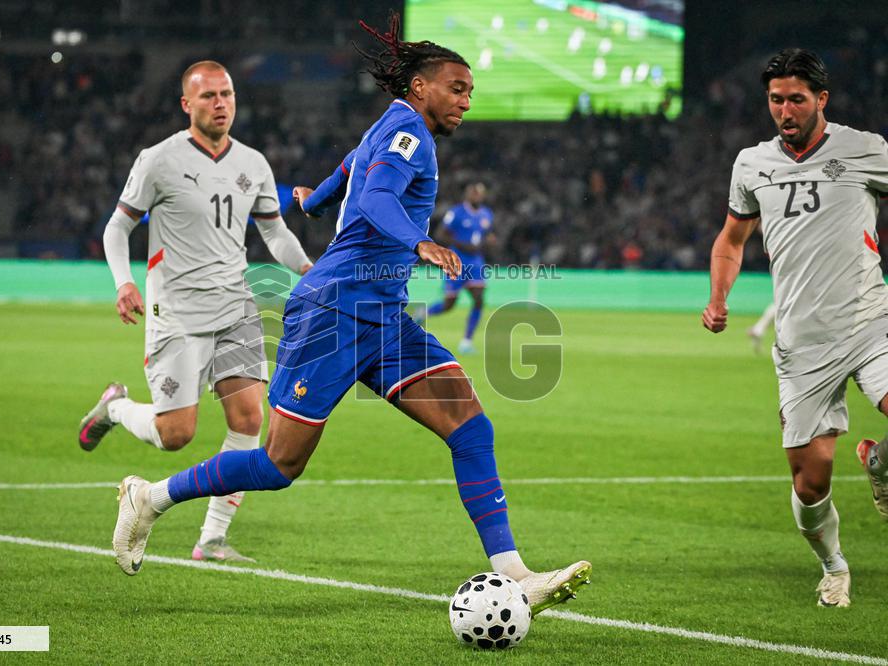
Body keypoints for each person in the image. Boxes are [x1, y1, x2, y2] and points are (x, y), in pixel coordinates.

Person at [110, 14, 591, 613]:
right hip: (334, 310)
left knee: (470, 426)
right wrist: (419, 242)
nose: (466, 101)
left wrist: (313, 201)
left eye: (470, 92)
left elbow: (347, 172)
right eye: (457, 89)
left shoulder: (388, 127)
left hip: (383, 316)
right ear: (420, 86)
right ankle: (150, 498)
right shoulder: (410, 133)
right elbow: (377, 195)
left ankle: (515, 574)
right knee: (279, 464)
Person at [79, 60, 313, 564]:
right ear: (187, 104)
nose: (220, 103)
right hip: (177, 311)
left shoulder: (254, 163)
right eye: (208, 96)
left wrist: (308, 270)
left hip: (236, 306)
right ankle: (115, 408)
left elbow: (274, 231)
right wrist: (123, 282)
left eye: (226, 94)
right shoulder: (158, 160)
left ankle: (212, 538)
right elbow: (118, 227)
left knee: (249, 418)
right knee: (176, 435)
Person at [702, 48, 888, 608]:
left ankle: (879, 461)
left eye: (797, 100)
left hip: (870, 323)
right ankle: (834, 566)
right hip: (803, 346)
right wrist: (718, 297)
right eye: (776, 100)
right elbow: (731, 240)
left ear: (821, 99)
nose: (785, 110)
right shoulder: (751, 164)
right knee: (811, 481)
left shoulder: (865, 150)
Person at [423, 182, 495, 354]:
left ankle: (466, 342)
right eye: (473, 193)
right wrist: (461, 244)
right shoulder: (456, 212)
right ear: (467, 195)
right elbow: (441, 233)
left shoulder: (486, 214)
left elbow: (487, 234)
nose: (476, 196)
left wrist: (489, 241)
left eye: (479, 193)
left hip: (476, 263)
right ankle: (423, 313)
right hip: (456, 261)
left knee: (479, 299)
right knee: (449, 305)